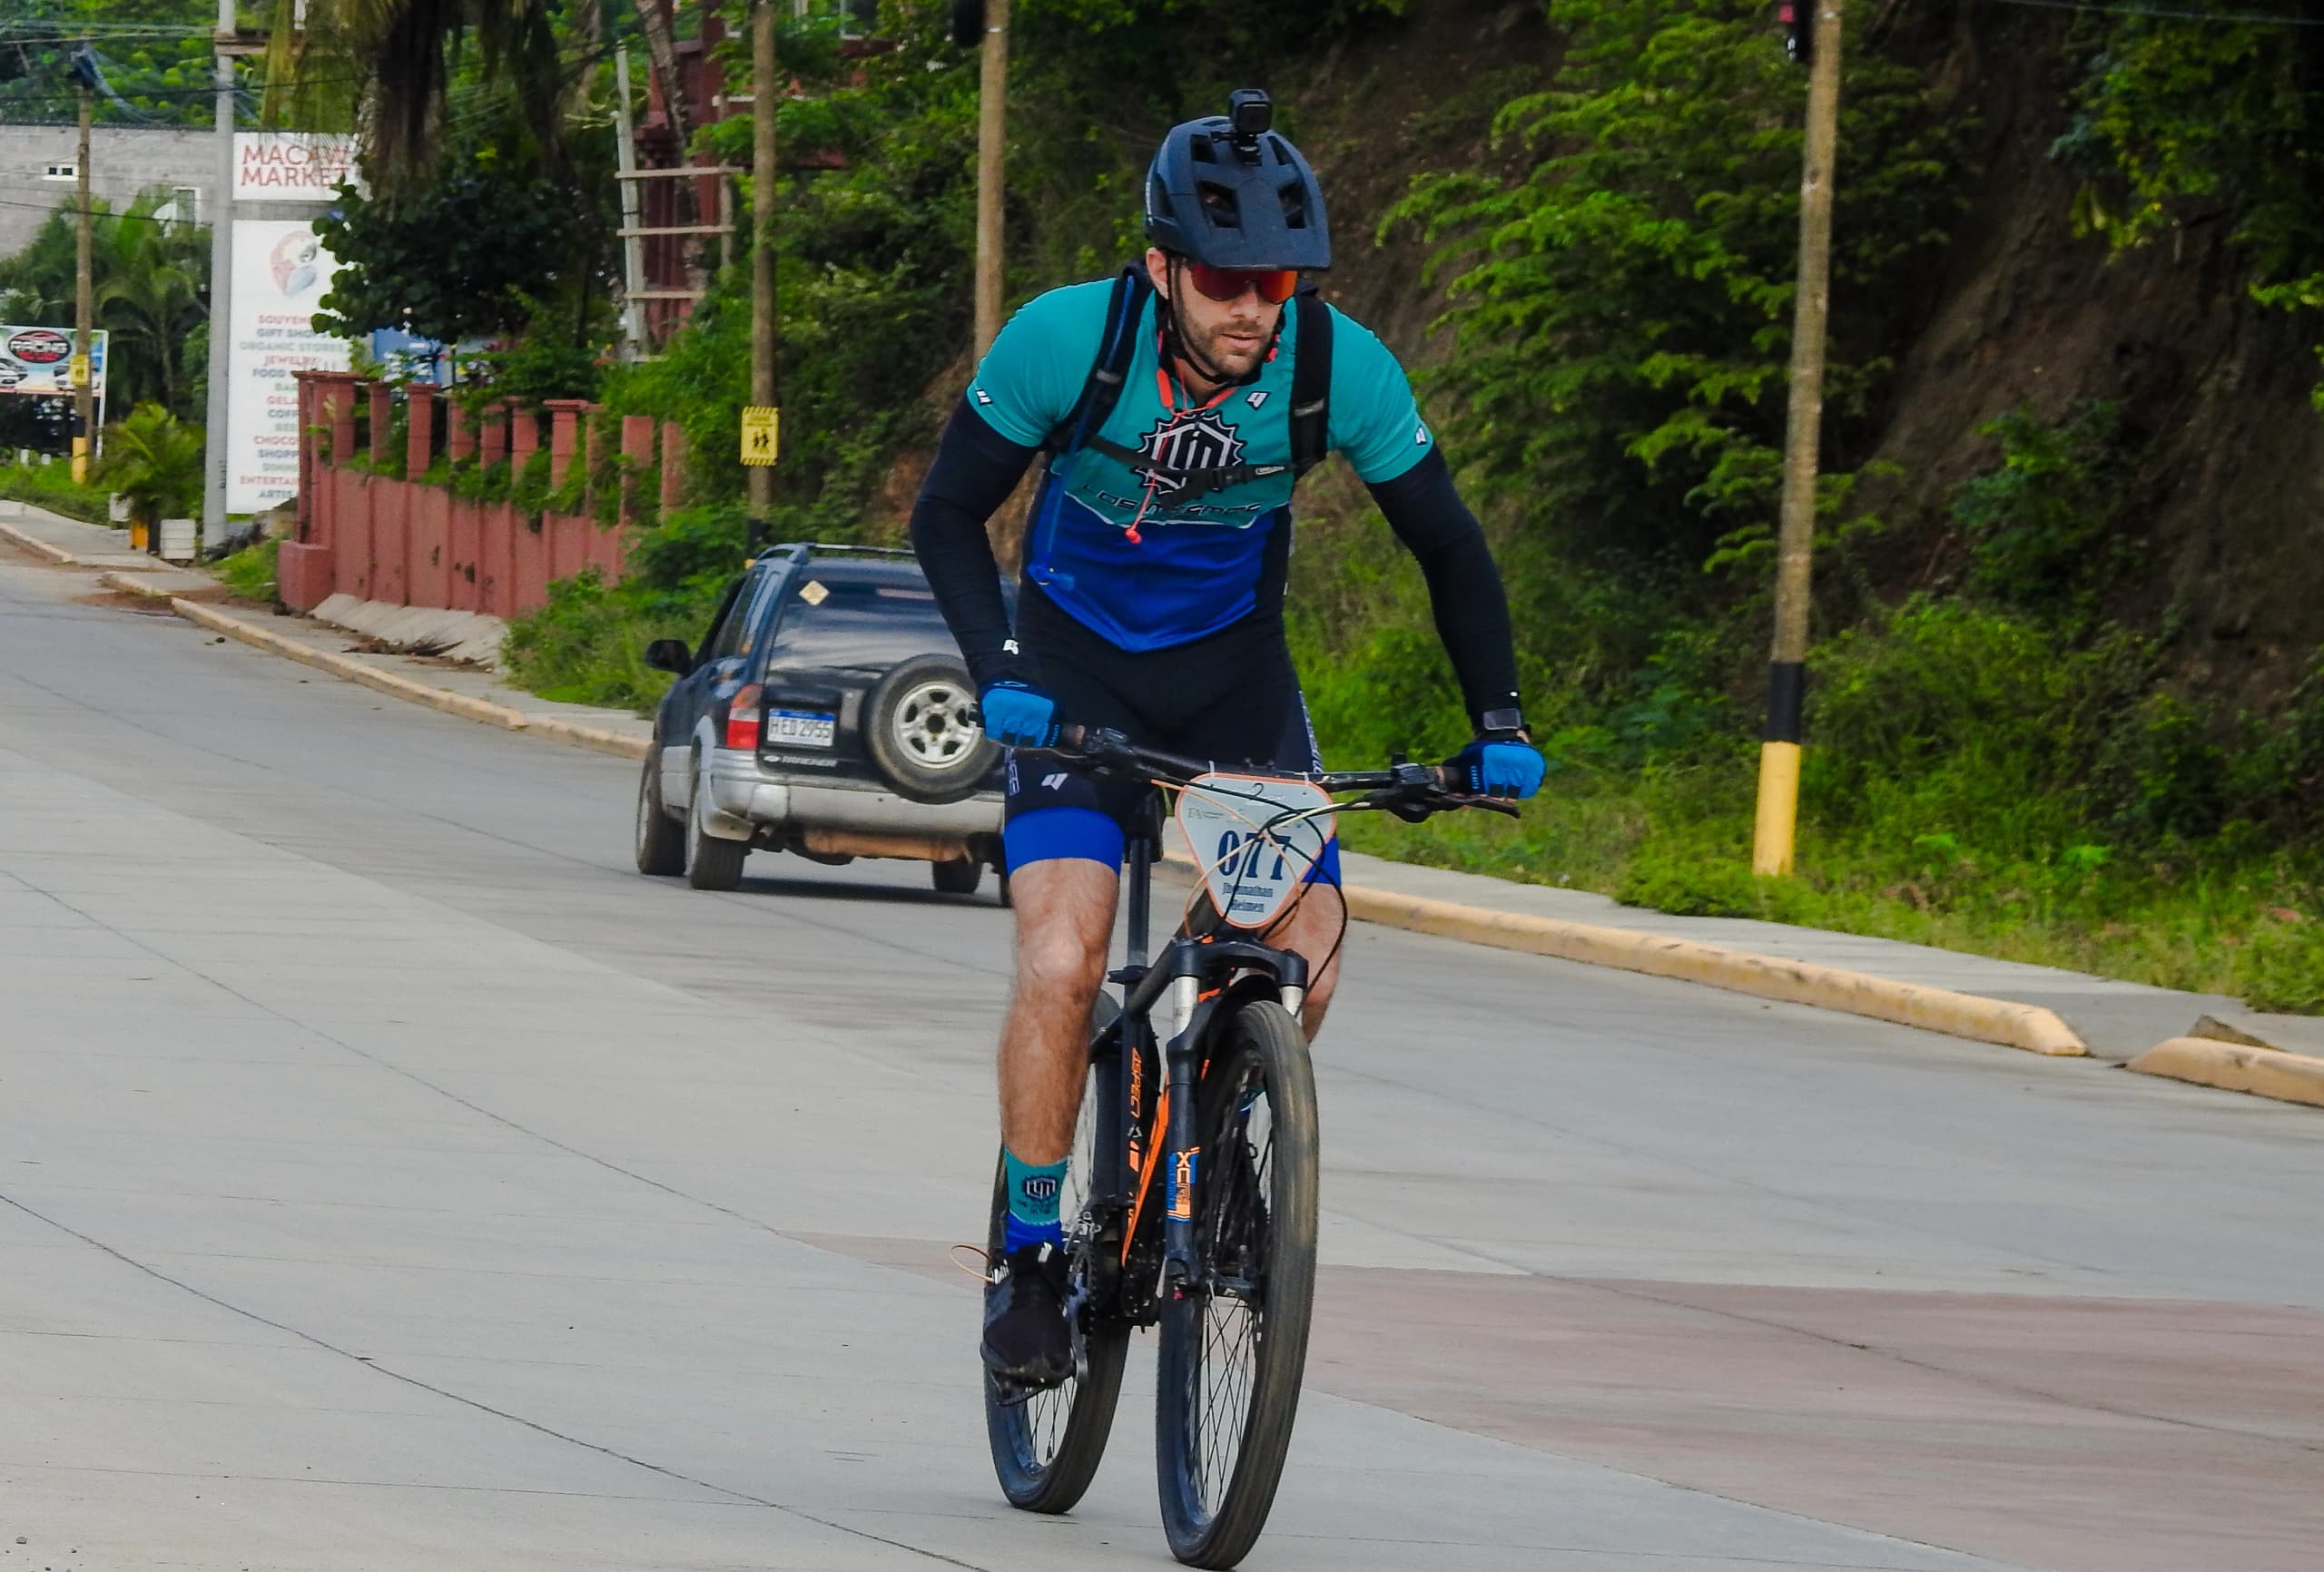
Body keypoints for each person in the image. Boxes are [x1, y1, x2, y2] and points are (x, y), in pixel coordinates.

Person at [911, 89, 1544, 1389]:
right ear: (1161, 268)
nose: (1254, 304)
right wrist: (1002, 673)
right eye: (1224, 277)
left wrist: (1497, 722)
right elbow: (946, 518)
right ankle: (1031, 1255)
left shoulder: (1334, 368)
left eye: (1279, 279)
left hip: (1235, 685)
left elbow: (1450, 544)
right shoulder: (1064, 343)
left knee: (1306, 948)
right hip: (1075, 680)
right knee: (1064, 956)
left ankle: (1221, 1109)